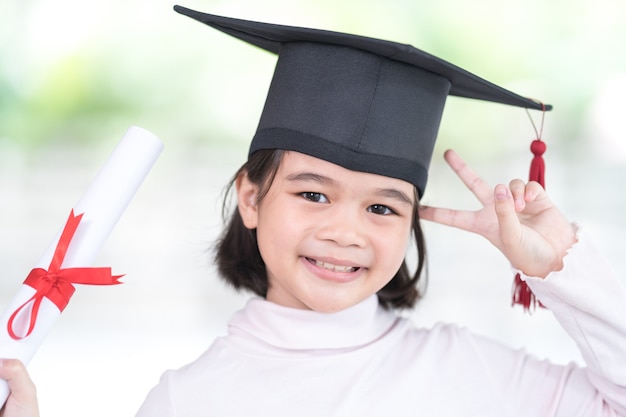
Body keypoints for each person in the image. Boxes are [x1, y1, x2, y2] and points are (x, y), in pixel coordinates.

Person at [2, 5, 626, 417]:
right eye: (313, 193)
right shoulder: (186, 402)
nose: (344, 231)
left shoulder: (478, 376)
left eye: (383, 207)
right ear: (251, 196)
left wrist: (562, 263)